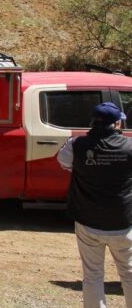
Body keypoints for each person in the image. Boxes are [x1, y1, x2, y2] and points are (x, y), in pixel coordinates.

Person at [57, 102, 132, 308]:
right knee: (129, 272)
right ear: (116, 123)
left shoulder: (76, 144)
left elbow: (64, 162)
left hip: (88, 220)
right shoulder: (130, 146)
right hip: (123, 221)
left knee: (92, 275)